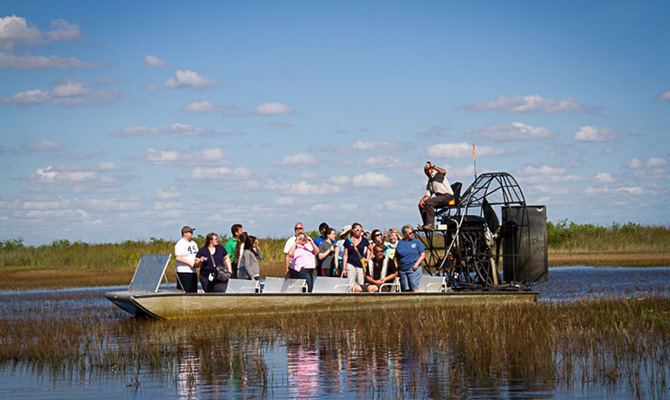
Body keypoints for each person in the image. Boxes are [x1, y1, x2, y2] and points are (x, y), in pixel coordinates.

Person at [418, 161, 453, 230]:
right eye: (425, 170)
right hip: (439, 197)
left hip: (447, 196)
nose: (427, 171)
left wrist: (433, 166)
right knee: (422, 204)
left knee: (429, 203)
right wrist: (422, 200)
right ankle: (426, 224)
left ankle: (431, 224)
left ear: (432, 169)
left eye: (429, 169)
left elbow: (444, 172)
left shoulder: (437, 175)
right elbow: (428, 195)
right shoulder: (429, 182)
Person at [394, 224, 426, 292]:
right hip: (403, 269)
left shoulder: (416, 242)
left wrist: (416, 264)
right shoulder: (400, 243)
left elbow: (422, 255)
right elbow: (396, 257)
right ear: (405, 234)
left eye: (412, 232)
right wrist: (396, 267)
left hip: (413, 268)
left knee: (414, 286)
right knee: (405, 288)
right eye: (410, 233)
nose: (412, 234)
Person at [341, 222, 372, 290]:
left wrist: (368, 259)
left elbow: (372, 249)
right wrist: (343, 268)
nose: (359, 231)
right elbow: (345, 255)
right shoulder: (348, 241)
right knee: (350, 283)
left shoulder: (364, 240)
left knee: (361, 283)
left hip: (361, 264)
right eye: (357, 230)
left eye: (360, 229)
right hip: (350, 263)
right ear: (353, 230)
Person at [174, 226, 203, 293]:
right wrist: (190, 264)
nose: (192, 233)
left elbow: (196, 255)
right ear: (185, 234)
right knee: (184, 292)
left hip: (193, 272)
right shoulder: (180, 244)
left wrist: (198, 262)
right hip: (183, 272)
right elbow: (178, 257)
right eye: (190, 232)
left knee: (193, 292)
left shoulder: (193, 243)